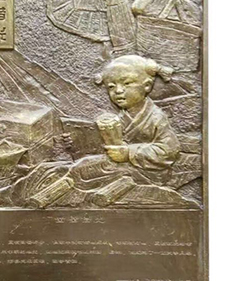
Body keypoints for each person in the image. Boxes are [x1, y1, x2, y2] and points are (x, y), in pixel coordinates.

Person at [67, 54, 180, 190]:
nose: (118, 91)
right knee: (81, 167)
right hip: (124, 167)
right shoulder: (121, 117)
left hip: (149, 173)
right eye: (111, 87)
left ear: (147, 86)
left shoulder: (156, 117)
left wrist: (129, 153)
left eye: (127, 84)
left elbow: (170, 150)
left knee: (86, 173)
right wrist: (77, 142)